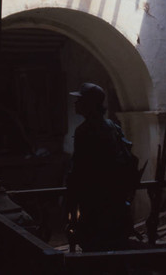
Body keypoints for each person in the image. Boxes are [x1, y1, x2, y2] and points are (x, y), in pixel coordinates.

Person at [66, 82, 137, 252]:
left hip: (94, 202)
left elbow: (80, 170)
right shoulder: (113, 127)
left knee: (94, 248)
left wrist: (71, 201)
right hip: (115, 199)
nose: (75, 104)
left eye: (79, 100)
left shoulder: (84, 131)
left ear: (89, 104)